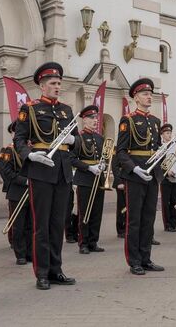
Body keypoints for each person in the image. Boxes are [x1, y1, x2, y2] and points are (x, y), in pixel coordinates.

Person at [14, 62, 78, 290]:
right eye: (53, 83)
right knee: (41, 224)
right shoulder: (30, 109)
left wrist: (73, 141)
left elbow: (77, 142)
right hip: (41, 170)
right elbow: (19, 140)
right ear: (42, 85)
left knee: (57, 223)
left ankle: (56, 269)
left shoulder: (67, 110)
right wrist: (30, 156)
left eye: (59, 83)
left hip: (62, 172)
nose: (57, 86)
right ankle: (41, 272)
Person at [116, 78, 165, 275]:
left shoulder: (155, 121)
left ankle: (146, 258)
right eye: (145, 94)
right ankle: (134, 260)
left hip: (152, 174)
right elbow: (121, 151)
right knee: (134, 219)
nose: (149, 96)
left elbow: (155, 147)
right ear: (136, 97)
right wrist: (134, 169)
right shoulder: (127, 120)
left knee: (148, 218)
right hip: (135, 175)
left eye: (150, 93)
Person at [71, 105, 107, 253]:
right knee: (85, 212)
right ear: (84, 120)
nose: (95, 120)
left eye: (96, 118)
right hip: (85, 179)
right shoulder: (78, 138)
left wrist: (104, 165)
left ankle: (93, 241)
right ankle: (83, 243)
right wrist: (89, 167)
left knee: (97, 212)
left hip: (98, 178)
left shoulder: (100, 138)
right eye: (91, 118)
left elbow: (104, 156)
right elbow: (72, 159)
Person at [0, 121, 32, 265]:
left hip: (32, 192)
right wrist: (25, 181)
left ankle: (30, 253)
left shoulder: (31, 150)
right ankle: (20, 254)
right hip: (17, 192)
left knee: (31, 225)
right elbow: (7, 172)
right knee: (18, 225)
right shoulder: (8, 151)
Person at [159, 123, 176, 232]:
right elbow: (158, 164)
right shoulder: (160, 148)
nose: (169, 135)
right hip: (165, 179)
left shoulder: (175, 146)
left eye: (170, 133)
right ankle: (167, 224)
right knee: (166, 203)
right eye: (167, 133)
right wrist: (166, 171)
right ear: (162, 135)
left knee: (175, 202)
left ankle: (174, 224)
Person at [111, 146, 126, 238]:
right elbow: (115, 166)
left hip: (131, 181)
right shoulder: (118, 148)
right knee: (122, 206)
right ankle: (121, 230)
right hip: (121, 181)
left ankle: (128, 227)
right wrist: (119, 182)